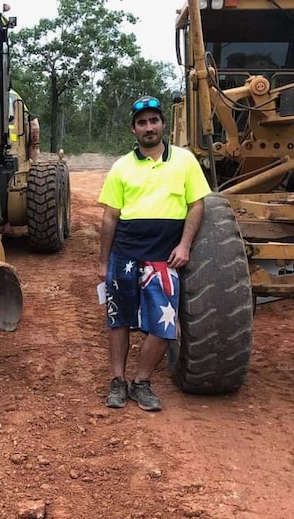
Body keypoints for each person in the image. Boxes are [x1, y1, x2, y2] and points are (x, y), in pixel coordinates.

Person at [97, 96, 211, 411]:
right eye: (142, 123)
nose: (149, 127)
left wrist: (185, 244)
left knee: (164, 324)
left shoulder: (185, 161)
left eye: (153, 121)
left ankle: (142, 382)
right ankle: (118, 382)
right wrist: (104, 261)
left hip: (164, 259)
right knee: (118, 321)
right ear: (133, 129)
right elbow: (110, 217)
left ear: (163, 124)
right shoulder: (121, 167)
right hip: (125, 257)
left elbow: (196, 205)